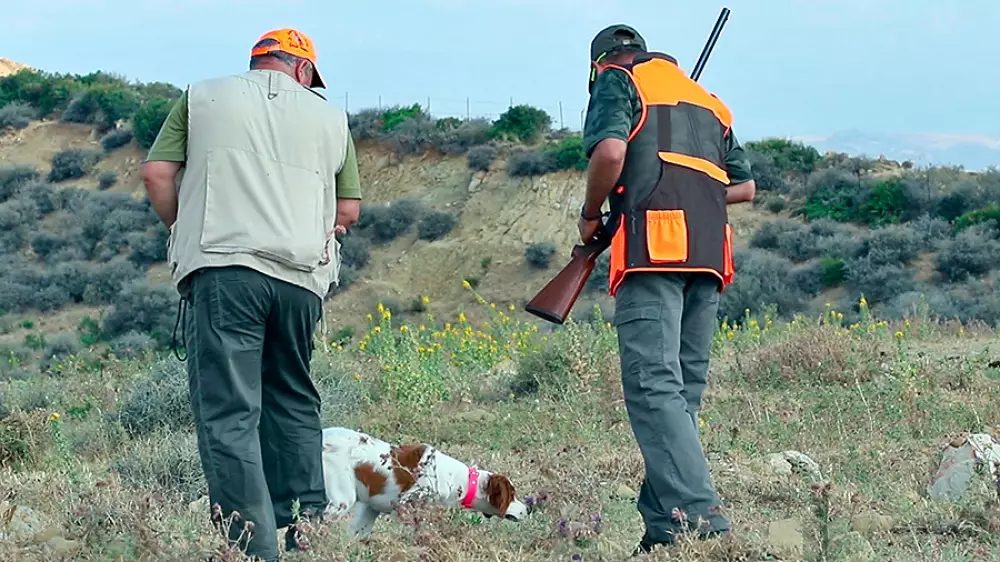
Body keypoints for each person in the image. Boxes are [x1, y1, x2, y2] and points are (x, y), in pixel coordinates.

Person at [140, 27, 362, 562]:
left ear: (257, 62)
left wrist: (180, 227)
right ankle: (309, 534)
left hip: (224, 271)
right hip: (299, 283)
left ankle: (253, 548)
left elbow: (156, 174)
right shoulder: (331, 118)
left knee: (230, 413)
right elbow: (348, 211)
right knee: (293, 402)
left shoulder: (202, 95)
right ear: (304, 71)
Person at [579, 24, 756, 555]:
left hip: (654, 251)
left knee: (654, 386)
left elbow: (610, 153)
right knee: (681, 393)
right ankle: (664, 527)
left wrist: (592, 214)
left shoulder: (617, 78)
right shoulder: (708, 100)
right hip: (707, 256)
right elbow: (743, 186)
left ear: (596, 65)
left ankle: (703, 522)